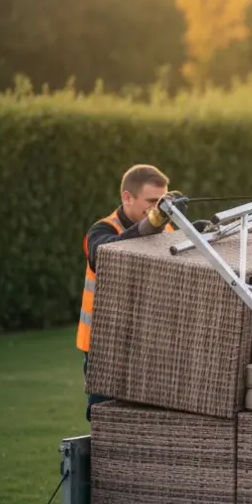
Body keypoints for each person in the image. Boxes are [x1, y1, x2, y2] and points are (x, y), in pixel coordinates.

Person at [77, 164, 183, 420]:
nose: (157, 209)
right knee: (106, 417)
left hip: (150, 341)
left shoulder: (166, 230)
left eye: (162, 201)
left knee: (148, 418)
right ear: (127, 197)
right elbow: (105, 256)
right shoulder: (102, 230)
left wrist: (198, 229)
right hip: (105, 345)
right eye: (151, 201)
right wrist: (151, 224)